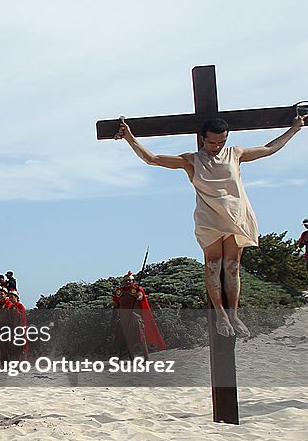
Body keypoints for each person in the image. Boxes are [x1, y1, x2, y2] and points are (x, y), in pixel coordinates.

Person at [116, 112, 304, 337]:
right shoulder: (191, 161)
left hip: (236, 216)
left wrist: (294, 129)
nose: (216, 146)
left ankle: (233, 314)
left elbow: (269, 149)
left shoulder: (235, 154)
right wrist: (130, 138)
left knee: (232, 266)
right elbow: (152, 159)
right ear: (202, 138)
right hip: (209, 218)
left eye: (221, 142)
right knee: (214, 265)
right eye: (212, 142)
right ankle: (220, 315)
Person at [112, 272, 167, 360]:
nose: (128, 282)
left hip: (136, 317)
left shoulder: (137, 289)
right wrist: (115, 317)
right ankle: (132, 360)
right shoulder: (119, 291)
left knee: (141, 339)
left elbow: (141, 297)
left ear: (133, 281)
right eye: (126, 281)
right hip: (125, 318)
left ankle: (146, 358)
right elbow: (117, 304)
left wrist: (137, 296)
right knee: (129, 341)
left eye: (130, 281)